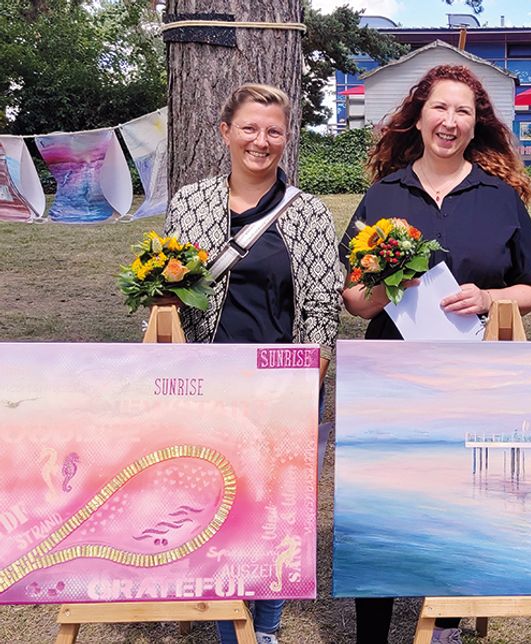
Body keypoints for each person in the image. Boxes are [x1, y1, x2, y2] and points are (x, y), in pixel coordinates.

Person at [340, 64, 531, 644]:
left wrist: (489, 298)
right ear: (418, 117)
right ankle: (373, 634)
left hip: (470, 379)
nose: (450, 121)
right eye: (440, 107)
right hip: (390, 378)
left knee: (461, 501)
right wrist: (386, 285)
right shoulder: (384, 195)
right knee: (382, 507)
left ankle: (446, 628)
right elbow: (355, 300)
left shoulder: (498, 197)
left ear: (476, 124)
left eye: (463, 111)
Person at [164, 83, 342, 644]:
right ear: (225, 132)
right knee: (213, 505)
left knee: (276, 512)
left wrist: (307, 377)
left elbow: (322, 305)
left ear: (286, 139)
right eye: (248, 128)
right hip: (207, 382)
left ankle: (265, 628)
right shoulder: (190, 204)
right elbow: (171, 285)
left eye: (273, 131)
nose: (260, 141)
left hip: (282, 382)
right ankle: (229, 629)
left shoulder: (308, 212)